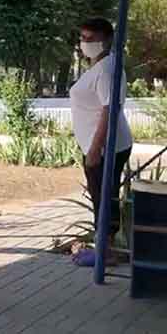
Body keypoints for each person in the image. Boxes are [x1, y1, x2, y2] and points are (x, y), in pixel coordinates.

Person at [70, 18, 132, 264]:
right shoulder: (101, 65)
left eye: (90, 39)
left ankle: (105, 252)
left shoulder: (106, 69)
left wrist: (95, 149)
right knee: (104, 196)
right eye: (82, 38)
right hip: (104, 145)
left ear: (106, 40)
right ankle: (105, 249)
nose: (84, 43)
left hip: (105, 147)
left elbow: (110, 109)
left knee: (103, 197)